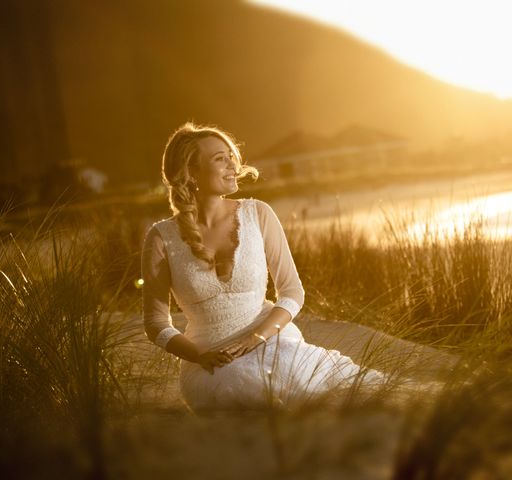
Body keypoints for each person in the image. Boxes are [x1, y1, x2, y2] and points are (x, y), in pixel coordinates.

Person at [141, 122, 389, 411]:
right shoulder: (160, 237)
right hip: (209, 364)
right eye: (219, 159)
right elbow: (156, 324)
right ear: (190, 172)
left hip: (273, 342)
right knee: (256, 396)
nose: (232, 166)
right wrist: (200, 355)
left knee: (348, 389)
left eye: (231, 156)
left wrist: (256, 337)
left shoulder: (257, 214)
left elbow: (292, 292)